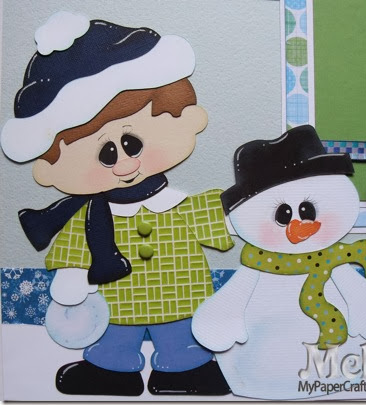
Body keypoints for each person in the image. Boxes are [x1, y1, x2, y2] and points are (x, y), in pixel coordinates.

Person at [1, 12, 233, 396]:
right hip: (116, 302)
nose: (123, 163)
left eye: (131, 143)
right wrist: (72, 277)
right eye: (106, 153)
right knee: (113, 336)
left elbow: (215, 222)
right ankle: (112, 371)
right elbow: (74, 249)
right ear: (49, 166)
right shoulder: (88, 215)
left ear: (186, 119)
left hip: (181, 294)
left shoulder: (176, 205)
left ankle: (184, 368)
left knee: (182, 334)